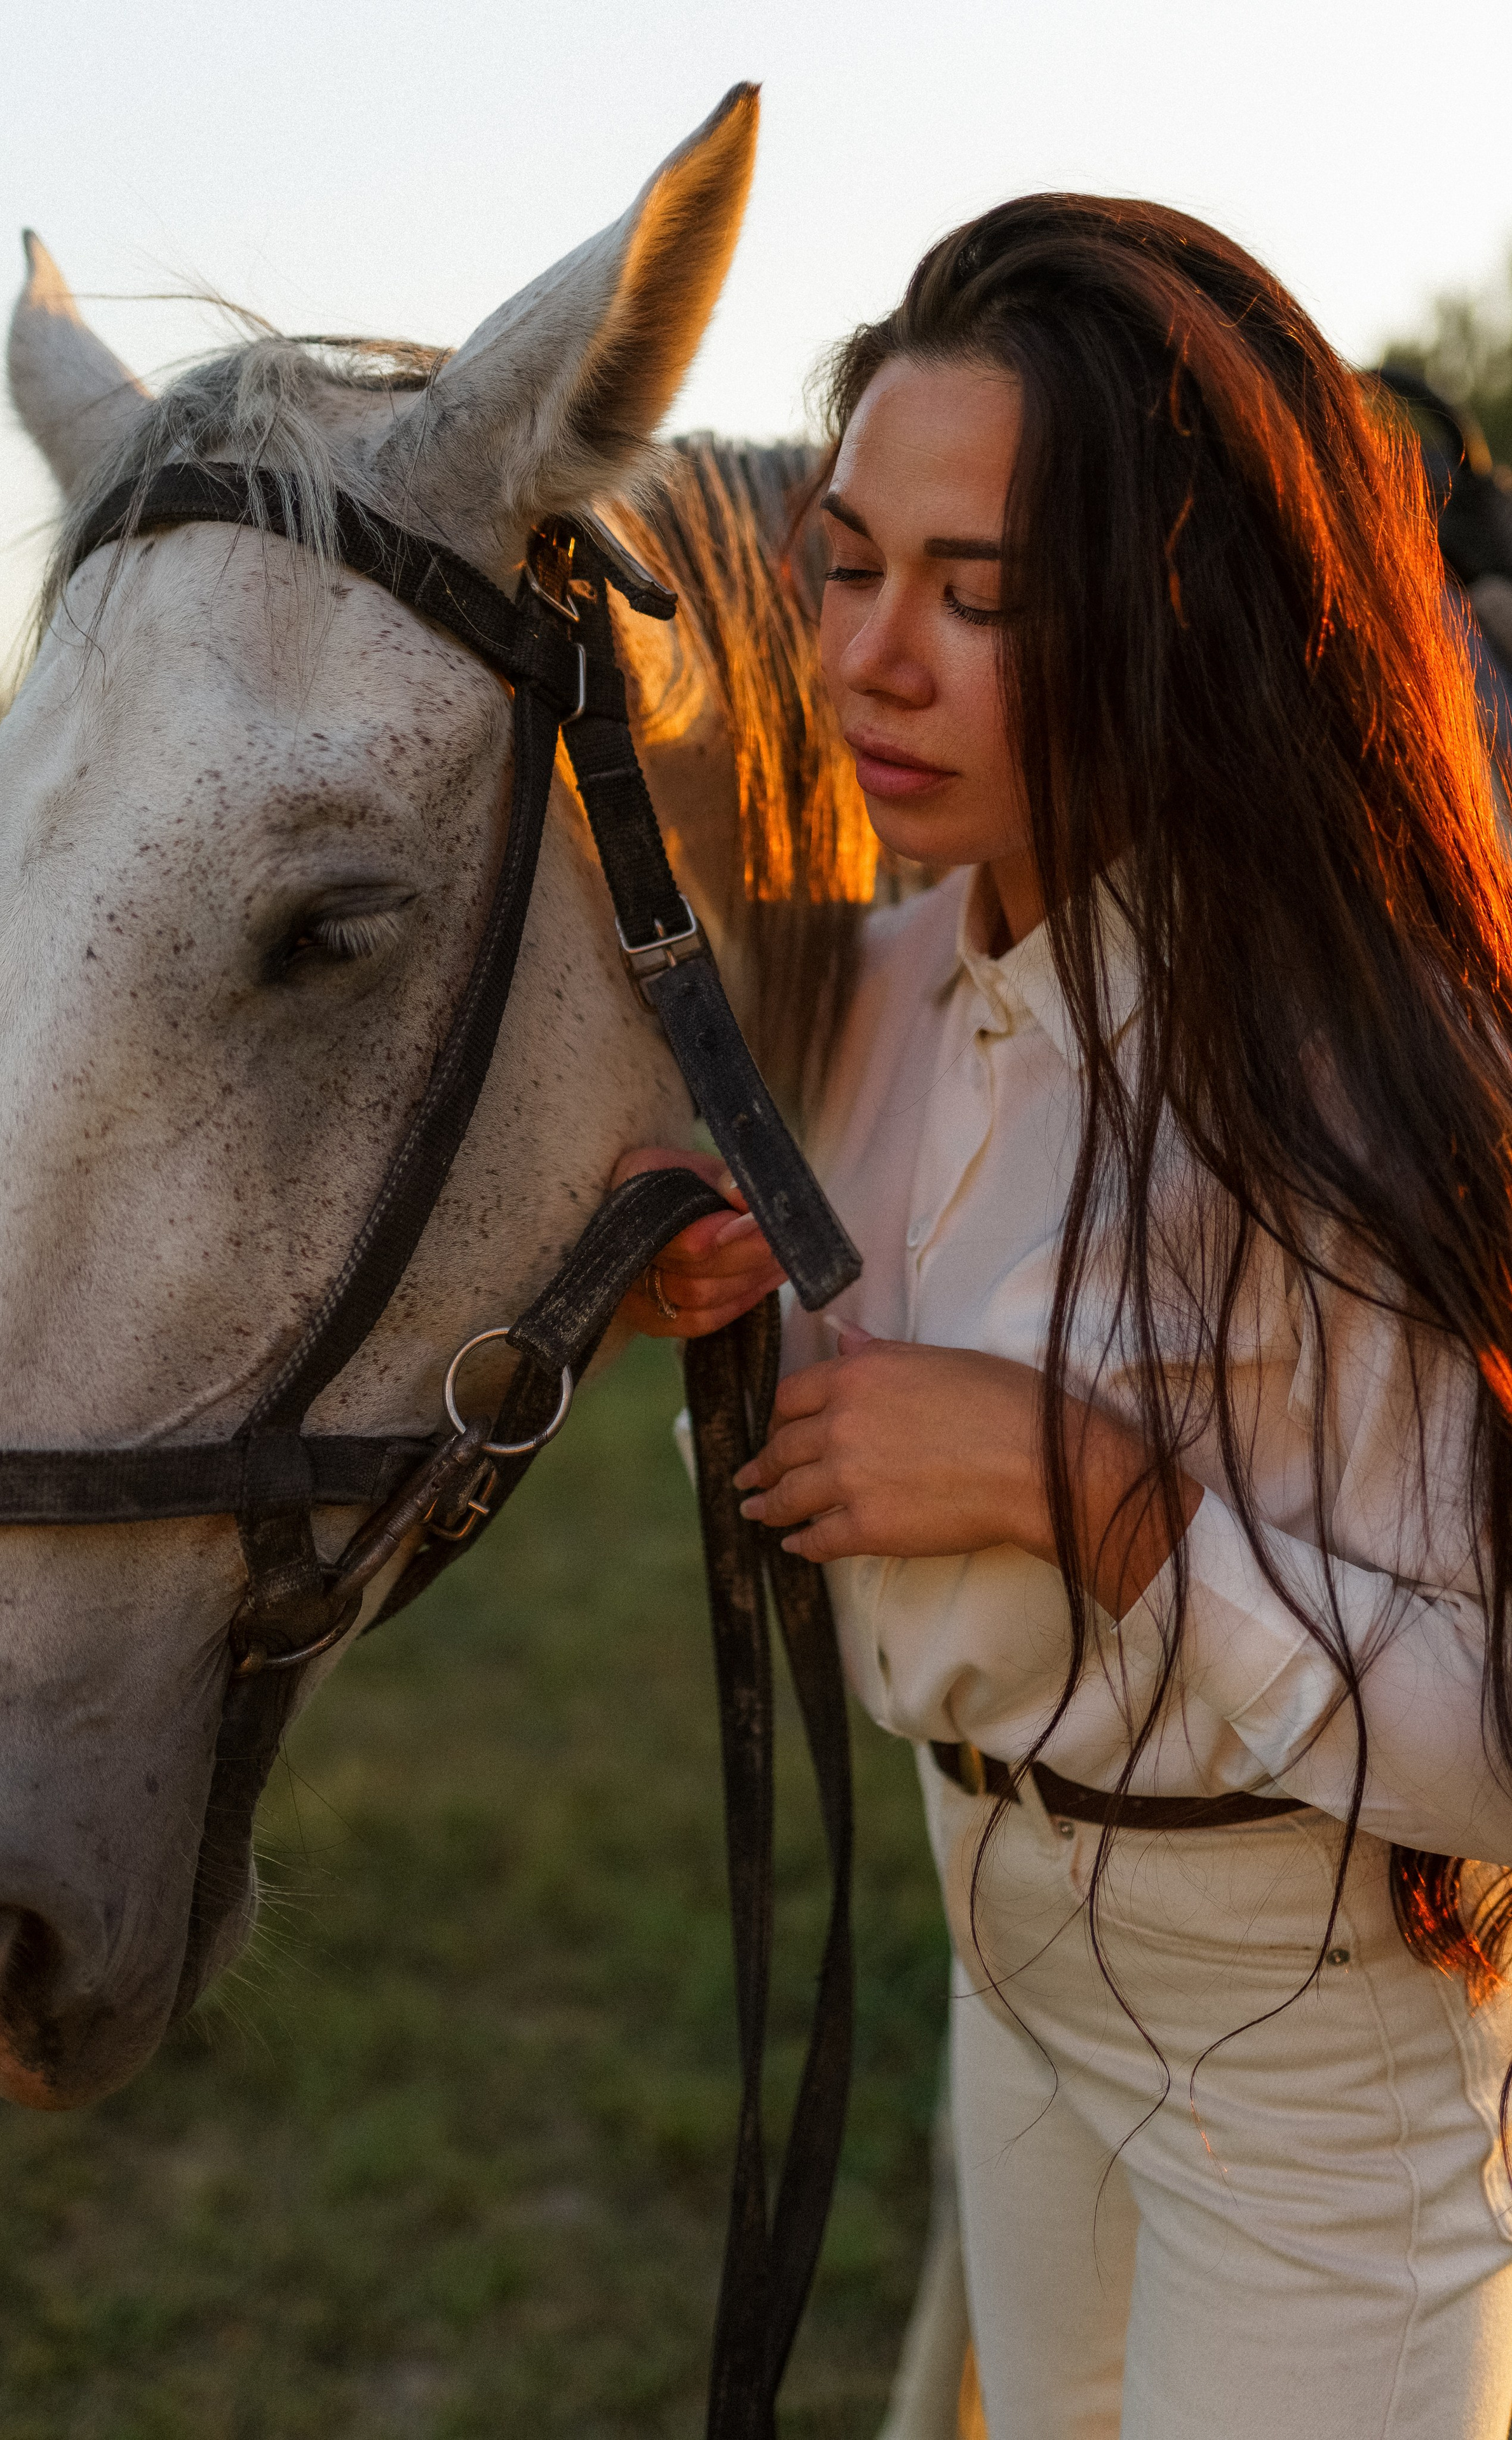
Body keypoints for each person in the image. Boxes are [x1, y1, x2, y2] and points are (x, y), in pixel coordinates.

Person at [612, 196, 1512, 2439]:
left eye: (980, 596)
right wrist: (732, 1325)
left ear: (1183, 621)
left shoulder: (1367, 1068)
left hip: (1311, 2080)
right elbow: (858, 1484)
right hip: (1002, 1978)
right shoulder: (872, 992)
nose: (872, 660)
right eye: (848, 564)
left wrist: (1090, 1496)